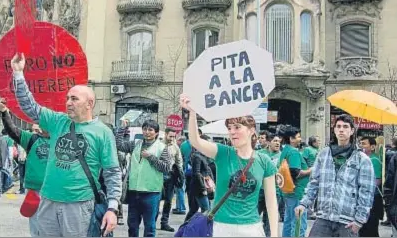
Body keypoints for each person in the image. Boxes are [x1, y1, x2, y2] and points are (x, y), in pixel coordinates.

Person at [11, 53, 122, 236]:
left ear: (90, 104)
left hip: (78, 206)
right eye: (68, 98)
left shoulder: (102, 132)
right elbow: (29, 106)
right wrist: (18, 74)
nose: (68, 103)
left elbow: (112, 173)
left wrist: (112, 208)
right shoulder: (58, 122)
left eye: (74, 99)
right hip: (47, 201)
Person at [180, 94, 278, 237]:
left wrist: (274, 234)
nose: (232, 132)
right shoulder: (223, 153)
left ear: (251, 130)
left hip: (252, 228)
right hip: (221, 226)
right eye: (229, 128)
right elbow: (196, 141)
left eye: (237, 127)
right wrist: (192, 112)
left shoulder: (264, 161)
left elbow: (271, 201)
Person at [295, 114, 375, 237]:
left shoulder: (362, 159)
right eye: (338, 126)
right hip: (323, 217)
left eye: (345, 126)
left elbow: (367, 191)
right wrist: (304, 203)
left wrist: (359, 220)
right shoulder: (323, 154)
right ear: (334, 130)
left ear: (352, 130)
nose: (341, 129)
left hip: (347, 220)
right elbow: (314, 182)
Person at [0, 99, 50, 236]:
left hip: (54, 191)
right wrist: (4, 111)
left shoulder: (60, 140)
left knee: (52, 228)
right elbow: (13, 131)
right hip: (34, 191)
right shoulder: (32, 139)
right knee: (35, 227)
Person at [115, 119, 172, 237]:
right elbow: (119, 145)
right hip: (134, 191)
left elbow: (166, 168)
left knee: (150, 226)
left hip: (151, 193)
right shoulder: (136, 144)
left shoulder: (162, 147)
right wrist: (122, 129)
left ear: (156, 133)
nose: (147, 132)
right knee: (132, 225)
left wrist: (151, 157)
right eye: (145, 129)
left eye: (150, 130)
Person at [358, 137, 384, 237]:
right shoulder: (362, 159)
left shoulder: (374, 160)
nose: (361, 146)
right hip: (363, 199)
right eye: (360, 143)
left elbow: (377, 181)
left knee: (370, 230)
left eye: (364, 144)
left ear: (372, 147)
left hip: (372, 200)